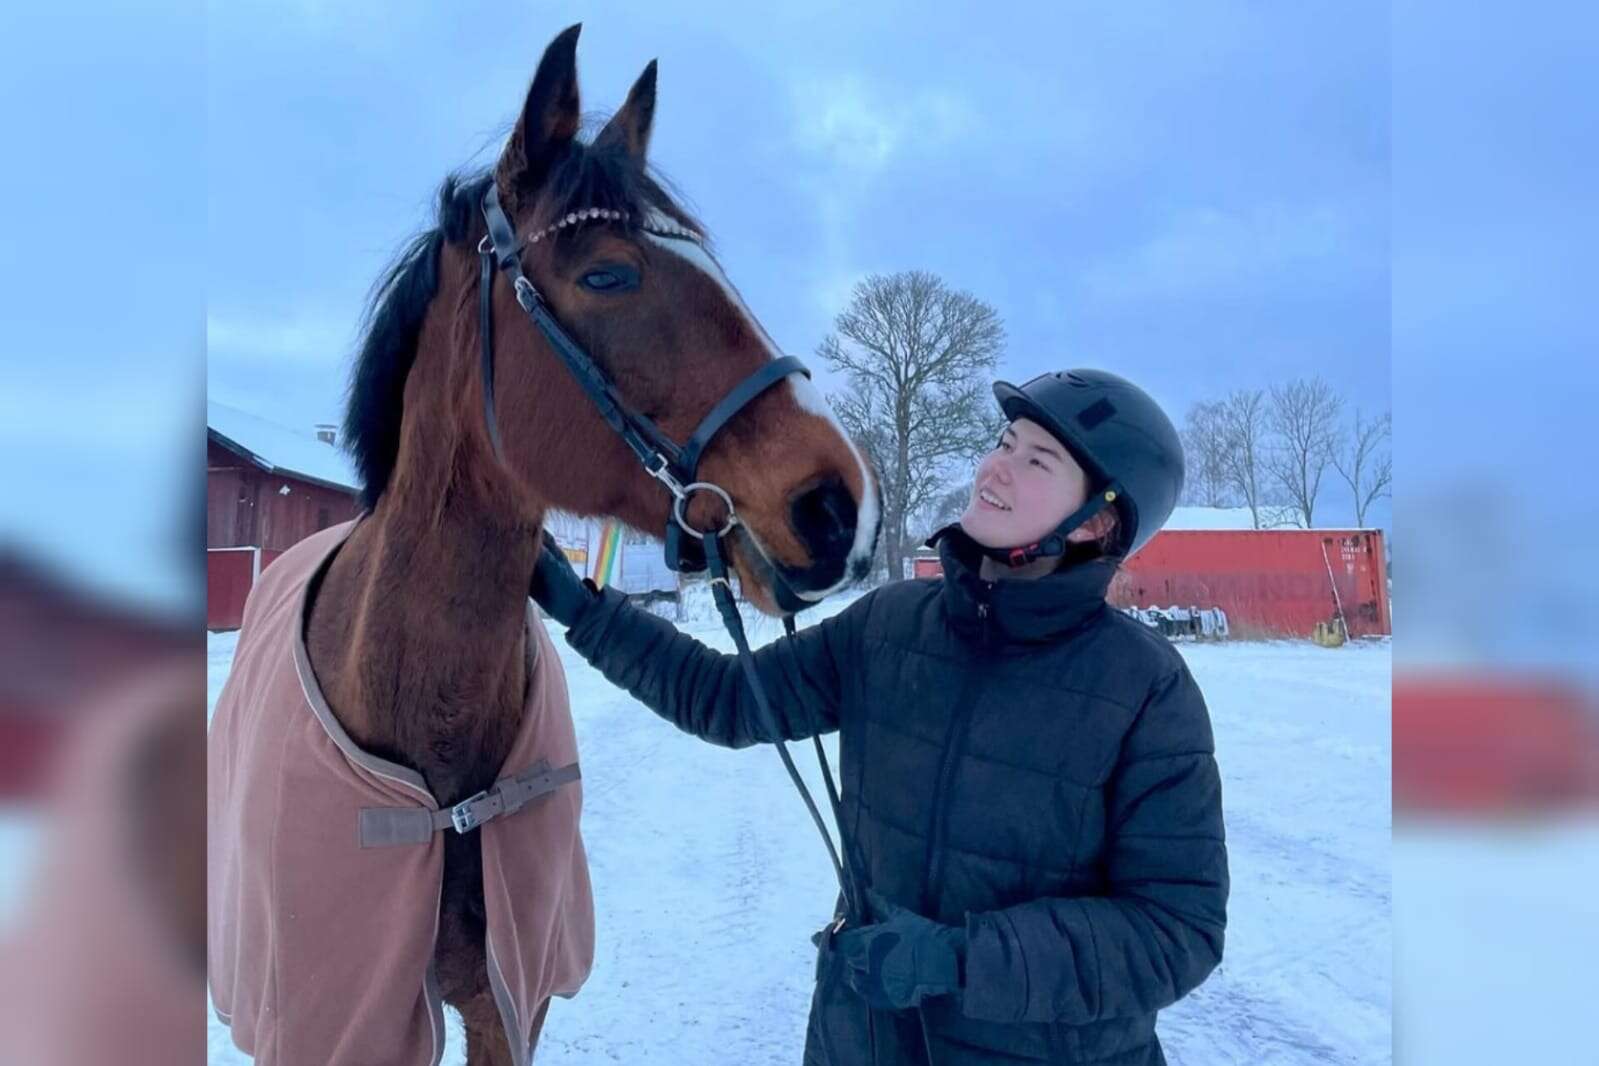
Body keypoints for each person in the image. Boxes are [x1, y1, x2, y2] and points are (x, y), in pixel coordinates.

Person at [531, 369, 1228, 1065]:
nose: (995, 468)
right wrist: (582, 610)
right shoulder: (891, 624)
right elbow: (730, 698)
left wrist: (960, 960)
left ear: (1098, 521)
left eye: (1036, 460)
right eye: (1005, 442)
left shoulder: (1143, 688)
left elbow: (1175, 930)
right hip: (859, 1040)